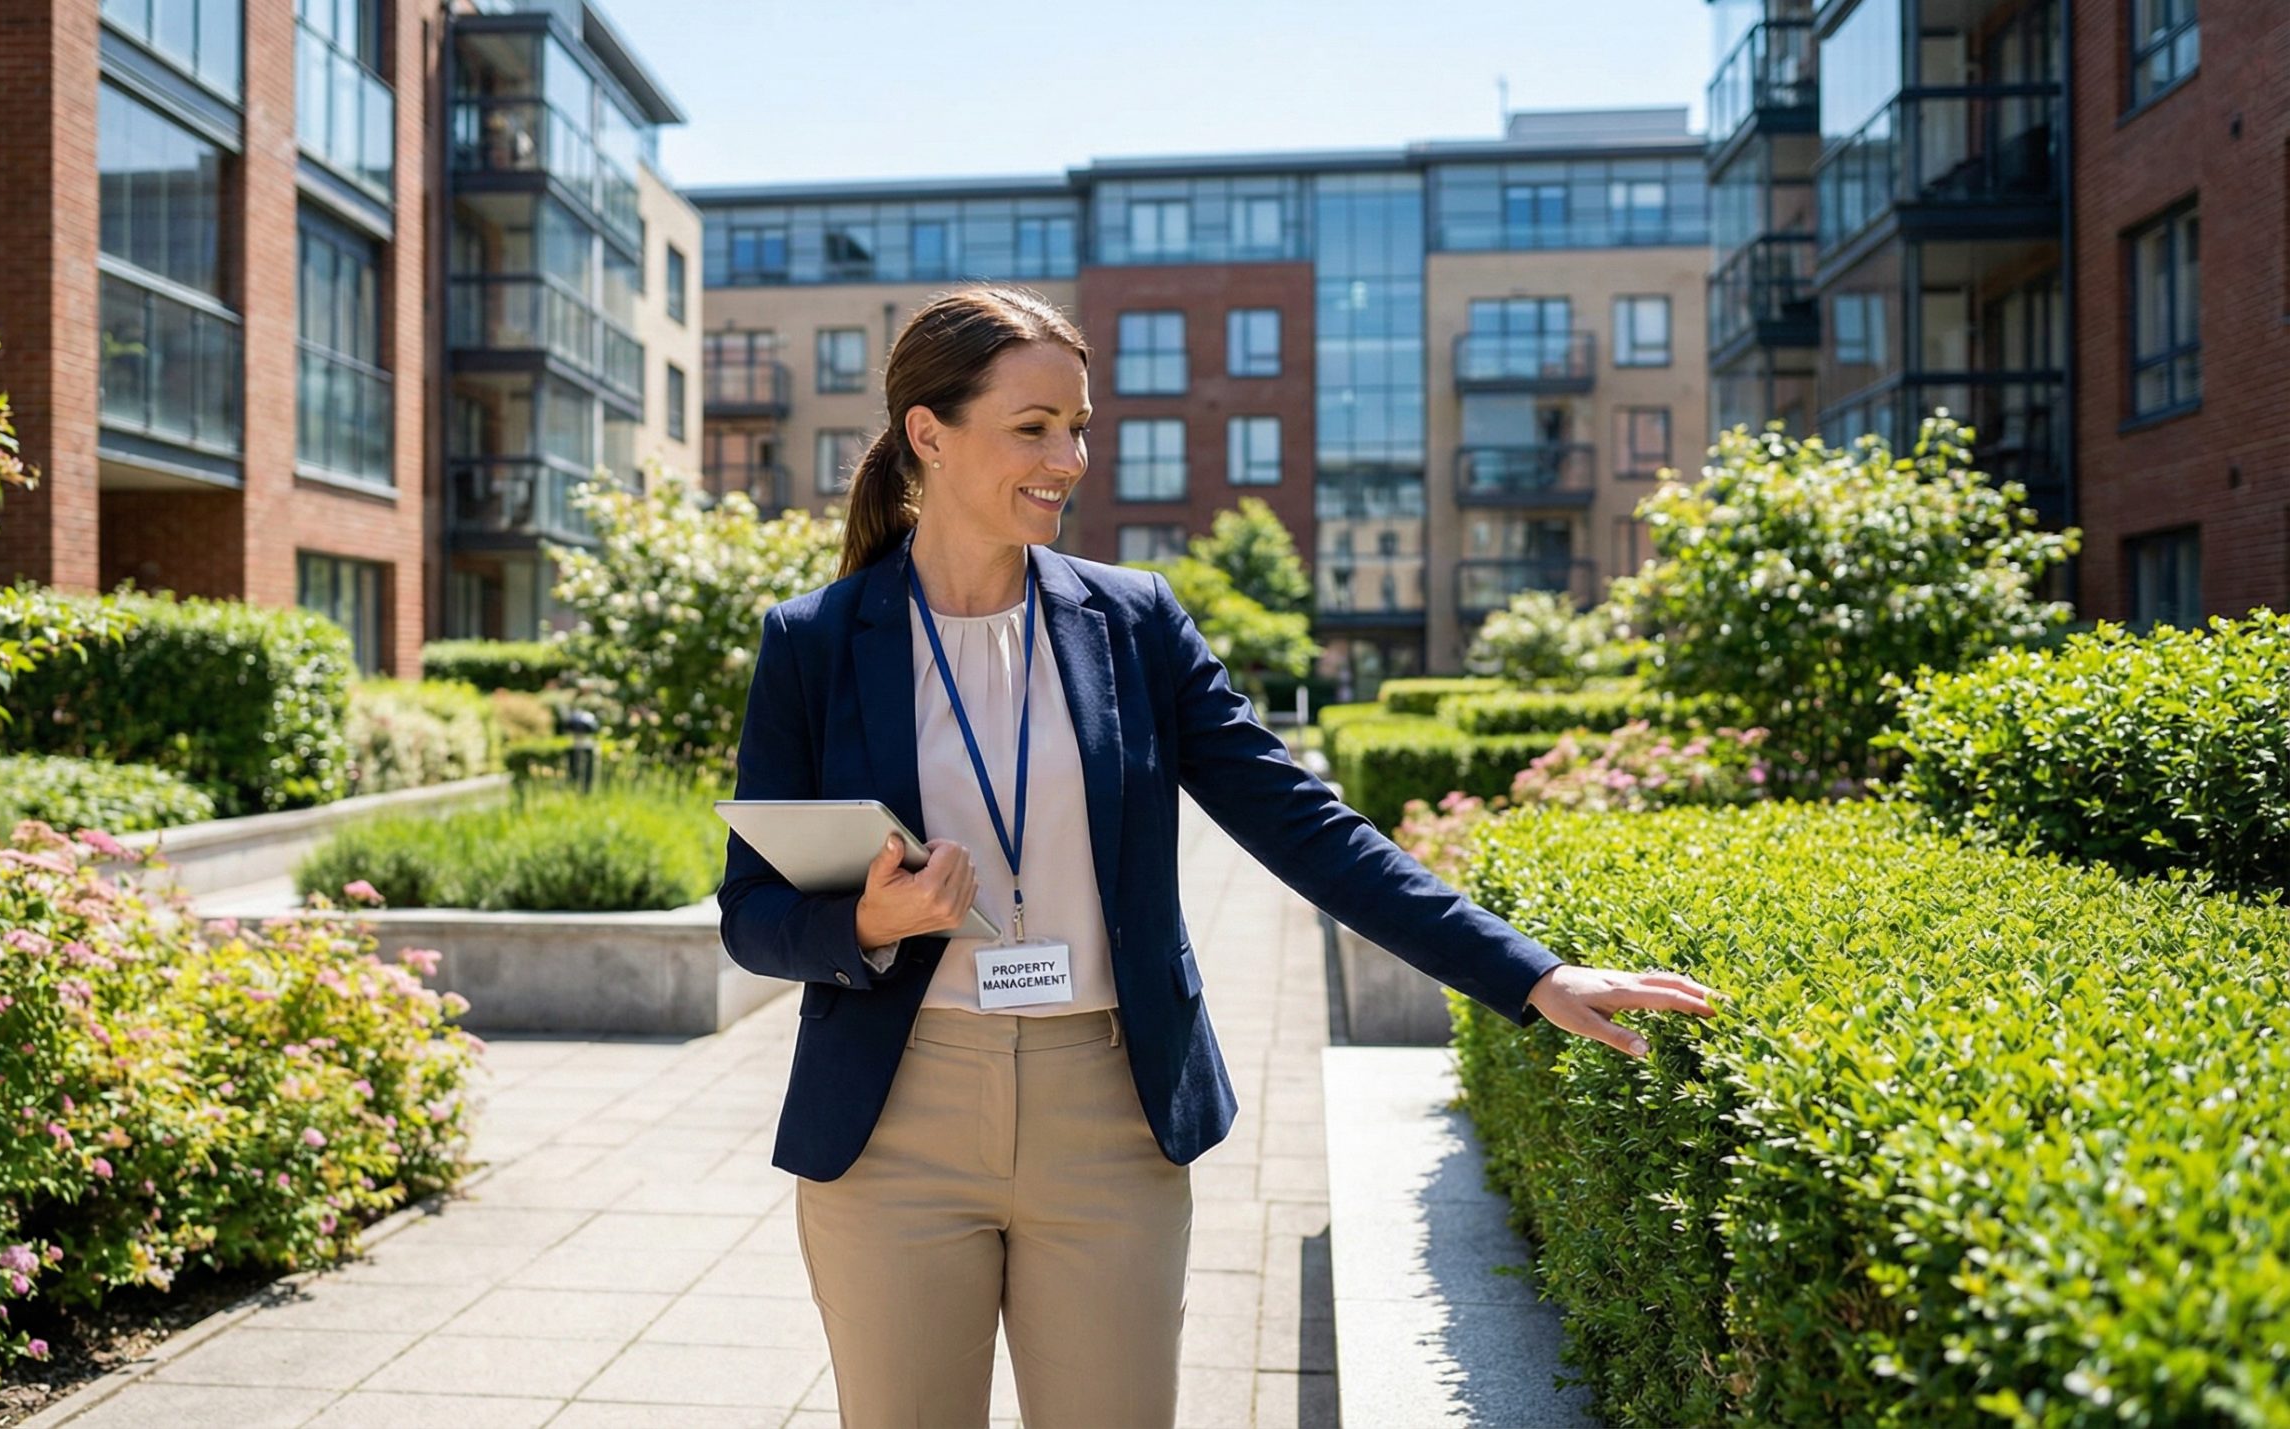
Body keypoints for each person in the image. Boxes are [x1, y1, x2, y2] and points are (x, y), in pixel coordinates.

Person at [717, 286, 1719, 1429]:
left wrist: (1529, 974)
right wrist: (864, 926)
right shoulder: (812, 642)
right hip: (894, 1117)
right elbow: (750, 912)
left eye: (1080, 425)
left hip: (1108, 1107)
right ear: (928, 435)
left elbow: (1304, 823)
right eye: (1033, 426)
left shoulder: (1134, 623)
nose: (1072, 457)